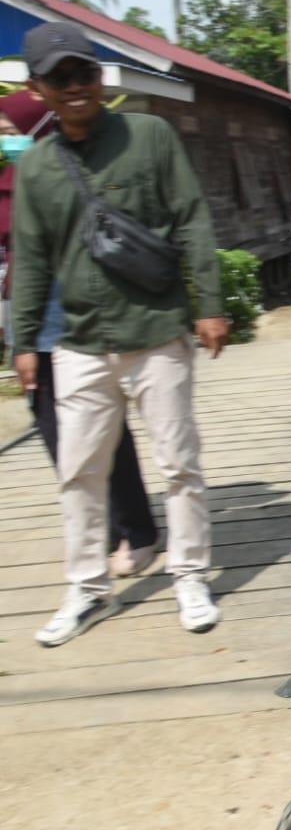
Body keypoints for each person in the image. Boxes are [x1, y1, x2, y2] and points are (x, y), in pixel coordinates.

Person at [8, 22, 229, 647]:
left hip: (158, 332)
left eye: (84, 73)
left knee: (179, 465)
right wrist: (24, 343)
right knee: (78, 471)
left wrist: (210, 304)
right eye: (61, 78)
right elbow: (29, 260)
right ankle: (86, 588)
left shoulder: (150, 137)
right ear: (40, 88)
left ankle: (190, 574)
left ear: (100, 77)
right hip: (79, 342)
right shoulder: (39, 169)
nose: (76, 86)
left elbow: (191, 218)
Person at [1, 90, 160, 580]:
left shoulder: (66, 178)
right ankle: (105, 535)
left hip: (78, 318)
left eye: (10, 132)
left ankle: (139, 531)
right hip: (26, 320)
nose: (4, 141)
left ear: (38, 130)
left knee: (106, 431)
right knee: (53, 431)